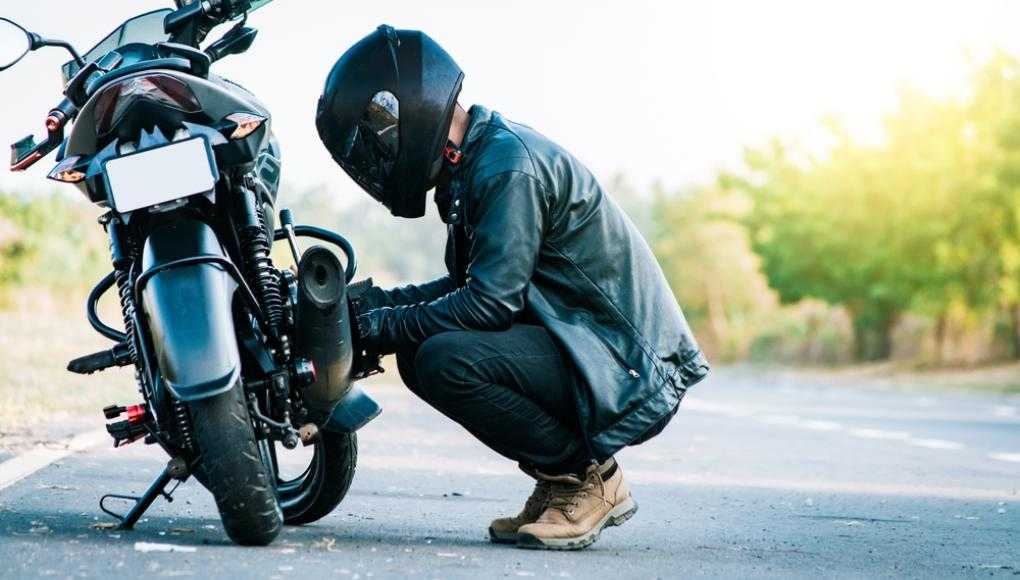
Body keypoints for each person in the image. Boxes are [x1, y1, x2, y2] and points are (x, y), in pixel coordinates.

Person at [315, 25, 709, 551]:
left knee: (443, 359)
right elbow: (471, 287)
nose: (376, 150)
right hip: (581, 344)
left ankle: (591, 480)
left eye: (377, 128)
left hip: (621, 363)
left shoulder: (506, 167)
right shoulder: (479, 161)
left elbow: (488, 303)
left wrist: (380, 324)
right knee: (425, 350)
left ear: (407, 107)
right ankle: (559, 484)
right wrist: (373, 304)